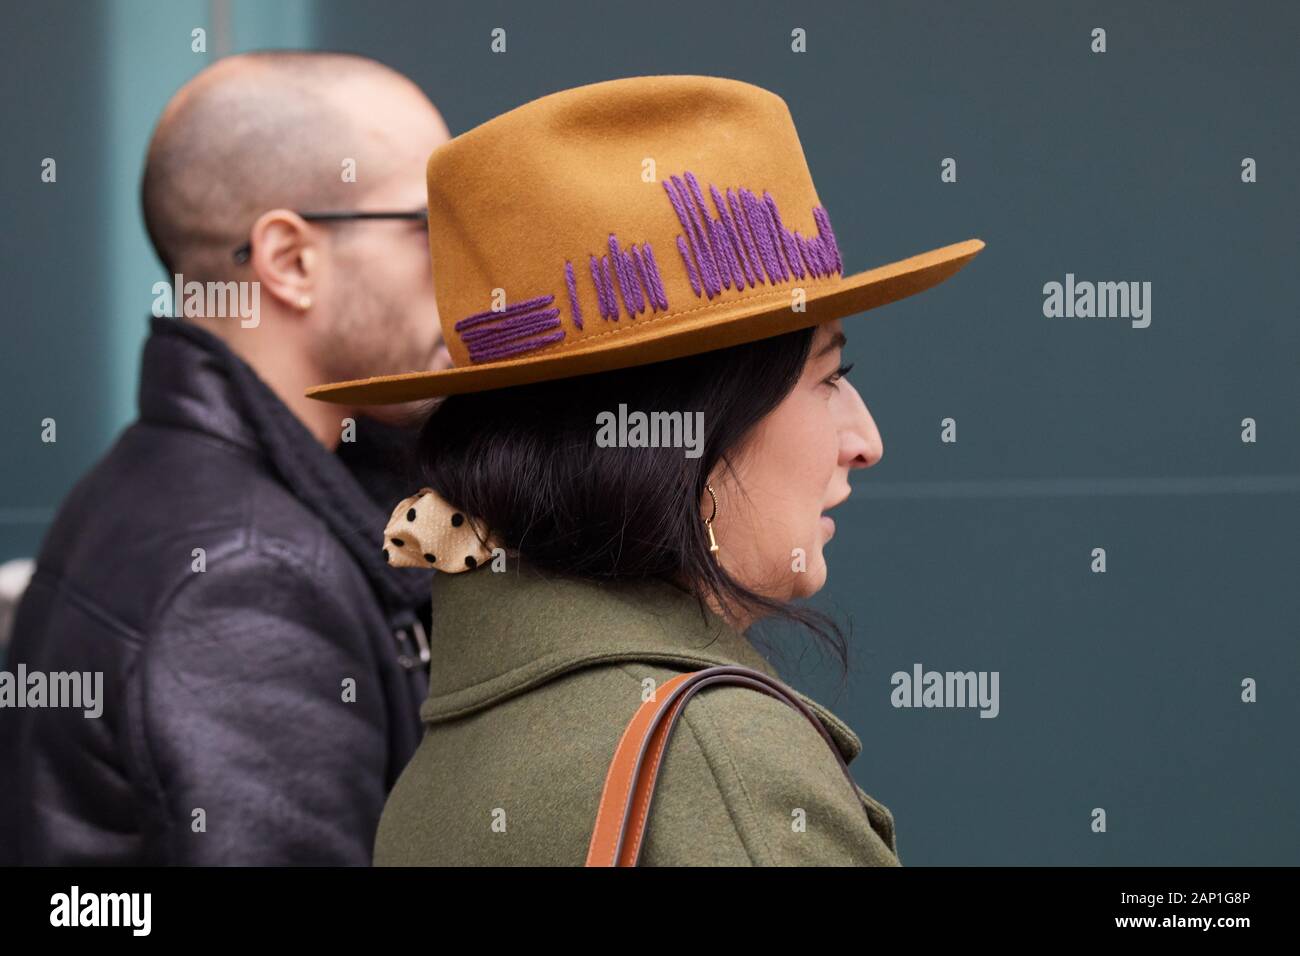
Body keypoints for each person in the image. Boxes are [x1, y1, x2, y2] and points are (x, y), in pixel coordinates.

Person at [307, 75, 984, 865]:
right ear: (674, 440)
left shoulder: (463, 747)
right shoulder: (723, 764)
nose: (864, 440)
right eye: (827, 378)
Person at [0, 51, 451, 864]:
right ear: (288, 260)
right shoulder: (248, 578)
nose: (462, 272)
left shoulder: (155, 482)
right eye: (430, 227)